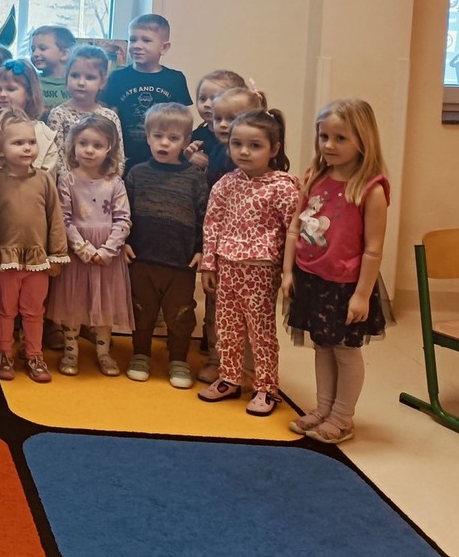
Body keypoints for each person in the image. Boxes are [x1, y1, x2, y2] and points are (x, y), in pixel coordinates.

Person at [283, 99, 389, 445]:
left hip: (345, 285)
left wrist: (362, 295)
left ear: (363, 140)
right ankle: (324, 407)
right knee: (322, 346)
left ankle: (342, 417)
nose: (329, 145)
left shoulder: (371, 189)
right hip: (311, 278)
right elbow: (295, 228)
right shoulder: (314, 177)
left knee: (344, 350)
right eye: (323, 136)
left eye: (340, 138)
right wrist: (288, 272)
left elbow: (373, 249)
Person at [197, 108, 300, 416]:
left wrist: (289, 272)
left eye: (255, 145)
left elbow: (295, 230)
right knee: (227, 327)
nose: (244, 151)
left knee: (260, 331)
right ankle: (230, 378)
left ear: (274, 149)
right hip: (227, 266)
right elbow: (212, 224)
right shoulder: (225, 184)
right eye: (237, 144)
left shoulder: (283, 186)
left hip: (261, 270)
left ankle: (266, 387)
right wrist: (209, 264)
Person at [124, 103, 208, 388]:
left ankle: (179, 359)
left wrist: (201, 249)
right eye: (157, 136)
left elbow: (203, 216)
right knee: (141, 311)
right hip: (143, 258)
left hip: (181, 262)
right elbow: (125, 212)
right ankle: (140, 354)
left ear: (186, 141)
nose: (164, 143)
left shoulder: (194, 177)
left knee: (180, 314)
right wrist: (125, 242)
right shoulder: (136, 173)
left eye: (173, 138)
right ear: (147, 137)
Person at [0, 108, 69, 383]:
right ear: (0, 149)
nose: (27, 148)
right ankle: (4, 353)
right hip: (5, 260)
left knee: (34, 311)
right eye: (18, 142)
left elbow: (55, 218)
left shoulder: (44, 180)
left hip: (38, 261)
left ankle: (34, 354)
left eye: (31, 142)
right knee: (5, 309)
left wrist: (57, 254)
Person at [49, 114, 132, 377]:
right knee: (72, 306)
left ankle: (103, 353)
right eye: (83, 143)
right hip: (78, 255)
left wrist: (107, 250)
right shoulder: (67, 180)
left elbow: (123, 219)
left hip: (108, 257)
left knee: (104, 306)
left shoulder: (115, 182)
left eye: (97, 145)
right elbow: (63, 219)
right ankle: (70, 352)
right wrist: (83, 249)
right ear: (73, 145)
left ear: (109, 148)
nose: (89, 150)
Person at [101, 13, 192, 170]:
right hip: (126, 158)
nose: (137, 45)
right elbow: (111, 118)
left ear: (164, 48)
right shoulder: (117, 77)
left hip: (166, 158)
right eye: (133, 39)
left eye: (146, 40)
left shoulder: (175, 79)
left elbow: (183, 120)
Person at [46, 45, 125, 179]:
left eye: (90, 77)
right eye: (75, 75)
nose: (81, 82)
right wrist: (74, 183)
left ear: (102, 82)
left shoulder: (110, 116)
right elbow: (57, 159)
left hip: (104, 185)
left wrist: (105, 182)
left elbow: (117, 159)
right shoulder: (58, 115)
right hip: (68, 186)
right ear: (66, 77)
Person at [0, 61, 59, 177]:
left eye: (10, 89)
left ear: (29, 93)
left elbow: (47, 182)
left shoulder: (45, 135)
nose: (2, 94)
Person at [184, 69, 248, 170]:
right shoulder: (196, 136)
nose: (206, 104)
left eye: (214, 98)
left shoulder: (244, 138)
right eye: (202, 98)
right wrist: (189, 158)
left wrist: (210, 165)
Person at [29, 25, 76, 109]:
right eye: (33, 50)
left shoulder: (77, 82)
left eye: (42, 48)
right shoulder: (31, 81)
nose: (35, 54)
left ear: (64, 54)